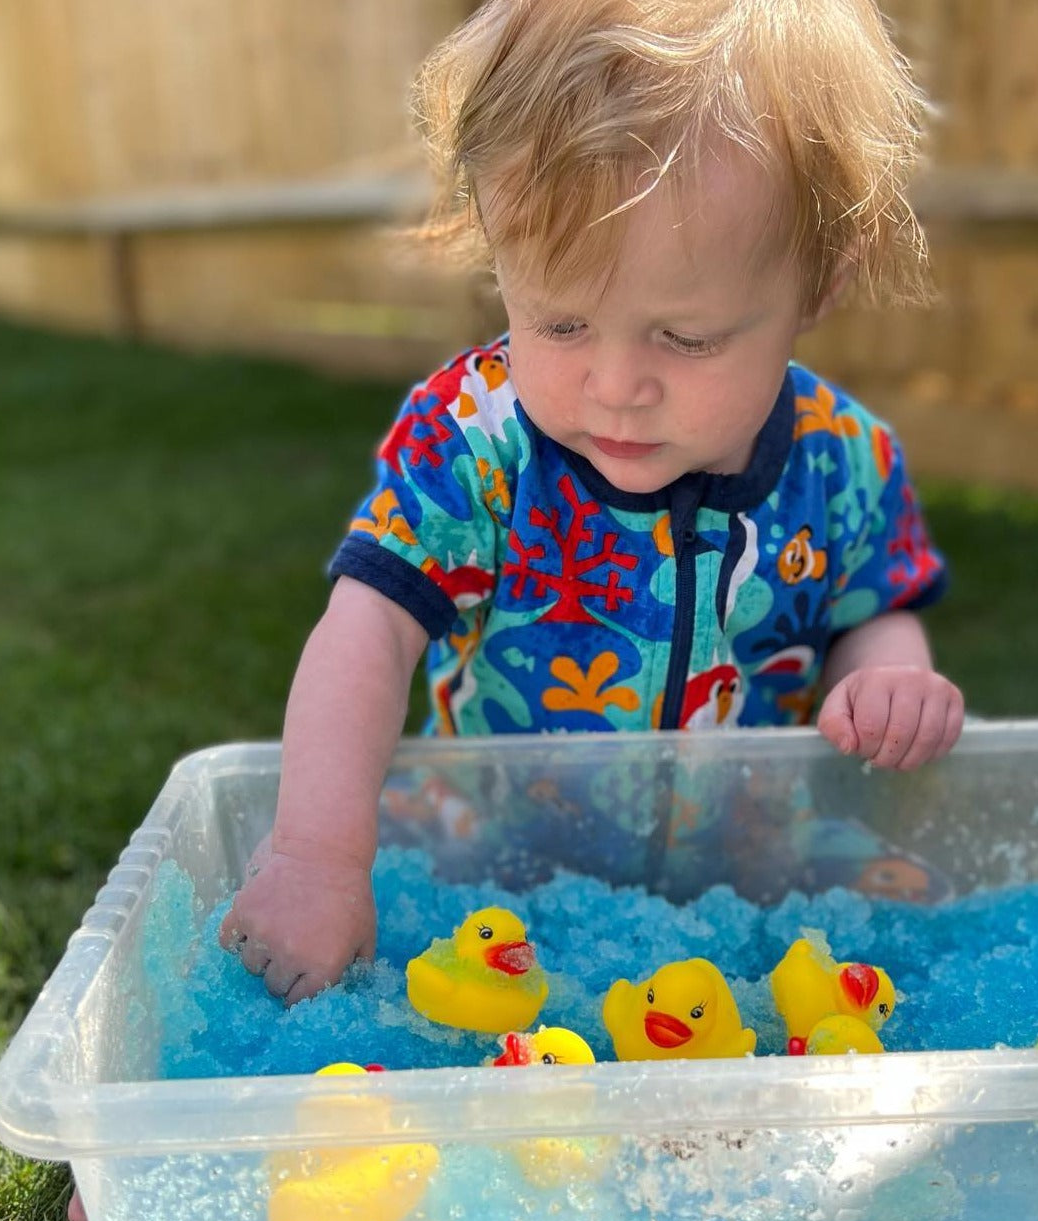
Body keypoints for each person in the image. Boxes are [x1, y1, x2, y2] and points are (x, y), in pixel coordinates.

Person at [219, 0, 964, 1006]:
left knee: (911, 942)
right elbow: (369, 628)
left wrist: (888, 677)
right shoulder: (475, 441)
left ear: (818, 284)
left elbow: (870, 613)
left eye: (685, 338)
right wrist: (315, 851)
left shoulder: (842, 462)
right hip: (496, 867)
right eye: (558, 321)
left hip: (750, 877)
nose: (614, 385)